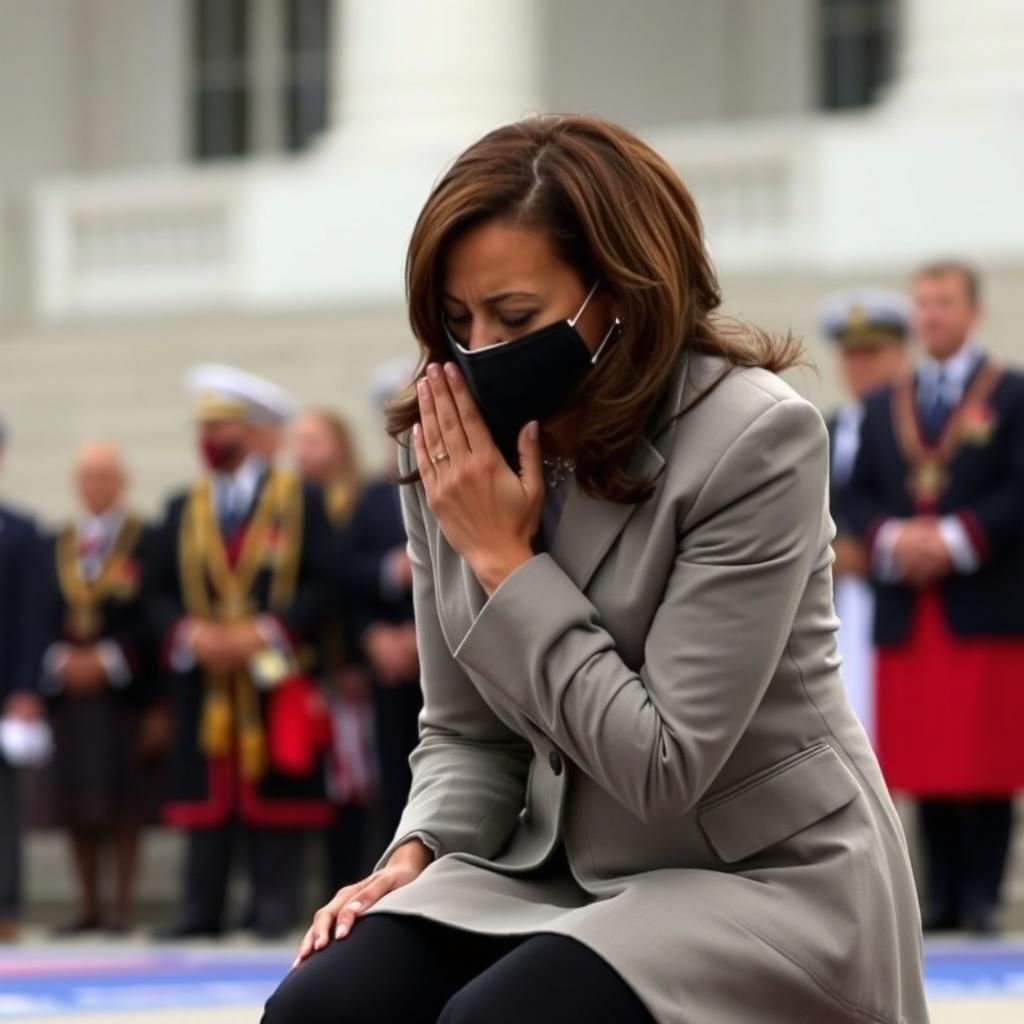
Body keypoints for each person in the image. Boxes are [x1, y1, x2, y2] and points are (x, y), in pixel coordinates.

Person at [264, 115, 927, 1024]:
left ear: (618, 293)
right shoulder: (446, 450)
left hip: (754, 878)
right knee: (324, 1009)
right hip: (541, 874)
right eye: (456, 321)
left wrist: (505, 561)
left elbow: (661, 765)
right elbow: (466, 735)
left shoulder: (757, 439)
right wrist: (412, 856)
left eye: (517, 317)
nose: (479, 351)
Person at [846, 260, 1024, 934]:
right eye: (923, 304)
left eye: (943, 303)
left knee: (986, 755)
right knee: (922, 756)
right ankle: (939, 895)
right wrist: (893, 539)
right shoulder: (885, 401)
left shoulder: (1011, 394)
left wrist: (955, 536)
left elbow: (1017, 486)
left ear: (972, 311)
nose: (931, 316)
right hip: (908, 605)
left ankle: (981, 895)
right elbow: (856, 493)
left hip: (983, 600)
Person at [145, 366, 335, 939]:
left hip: (271, 675)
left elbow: (324, 583)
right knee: (209, 796)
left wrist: (268, 630)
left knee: (274, 793)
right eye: (204, 426)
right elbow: (155, 592)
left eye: (222, 426)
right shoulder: (183, 507)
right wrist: (191, 635)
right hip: (206, 679)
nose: (210, 438)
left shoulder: (299, 500)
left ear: (254, 433)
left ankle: (272, 906)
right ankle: (200, 908)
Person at [37, 441, 161, 934]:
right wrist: (61, 659)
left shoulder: (146, 540)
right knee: (75, 800)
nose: (95, 486)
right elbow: (39, 612)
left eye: (104, 476)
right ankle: (86, 903)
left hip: (123, 692)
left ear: (122, 481)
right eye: (86, 476)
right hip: (68, 693)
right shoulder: (57, 542)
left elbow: (152, 615)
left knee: (122, 802)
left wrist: (110, 659)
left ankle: (120, 906)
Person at [820, 290, 910, 742]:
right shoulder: (825, 428)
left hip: (894, 597)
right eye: (851, 355)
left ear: (900, 354)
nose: (860, 366)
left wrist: (871, 550)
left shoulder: (917, 428)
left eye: (872, 353)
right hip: (834, 600)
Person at [292, 408, 376, 891]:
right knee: (334, 784)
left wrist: (352, 657)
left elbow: (346, 590)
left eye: (314, 441)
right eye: (297, 442)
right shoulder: (293, 505)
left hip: (356, 664)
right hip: (318, 667)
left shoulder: (359, 501)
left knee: (362, 780)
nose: (303, 452)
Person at [343, 361, 421, 845]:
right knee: (392, 773)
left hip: (446, 656)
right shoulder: (371, 497)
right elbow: (345, 578)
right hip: (389, 664)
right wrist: (375, 637)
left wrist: (425, 638)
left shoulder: (451, 482)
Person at [0, 417, 47, 943]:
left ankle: (5, 906)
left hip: (4, 693)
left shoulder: (19, 530)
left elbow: (32, 617)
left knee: (5, 809)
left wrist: (24, 689)